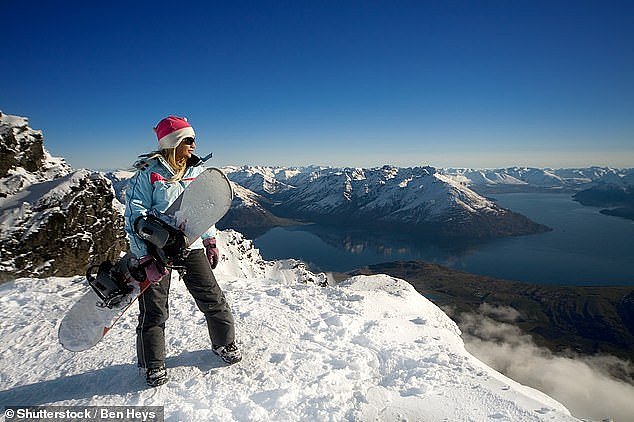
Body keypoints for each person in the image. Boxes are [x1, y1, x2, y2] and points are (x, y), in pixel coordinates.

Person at [124, 115, 241, 387]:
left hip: (191, 246)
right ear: (173, 142)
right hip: (156, 250)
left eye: (193, 140)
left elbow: (203, 211)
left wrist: (210, 240)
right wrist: (142, 255)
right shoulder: (148, 173)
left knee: (213, 298)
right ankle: (152, 364)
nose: (193, 145)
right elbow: (134, 217)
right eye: (188, 140)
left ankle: (224, 344)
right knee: (154, 311)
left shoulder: (195, 170)